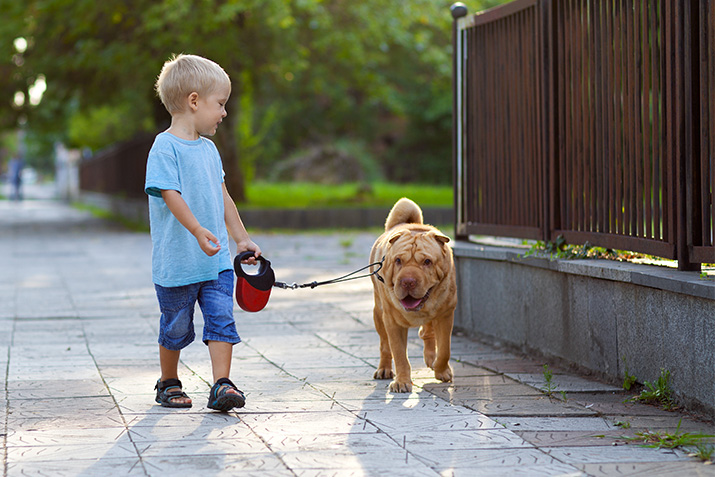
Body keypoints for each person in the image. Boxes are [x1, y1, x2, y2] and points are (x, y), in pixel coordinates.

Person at [145, 54, 261, 411]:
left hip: (216, 264)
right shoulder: (164, 147)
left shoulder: (210, 150)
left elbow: (223, 197)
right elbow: (170, 194)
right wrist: (196, 230)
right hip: (178, 263)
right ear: (194, 101)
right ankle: (168, 382)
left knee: (222, 319)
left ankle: (222, 384)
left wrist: (241, 239)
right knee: (176, 328)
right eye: (221, 104)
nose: (224, 113)